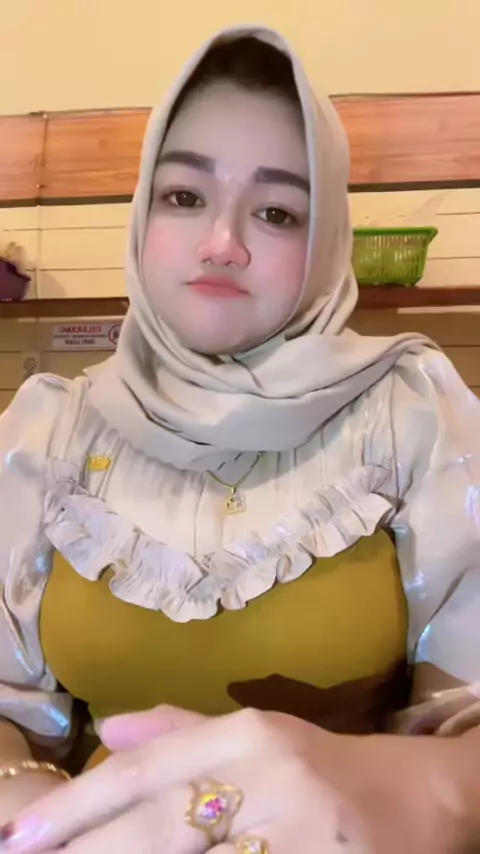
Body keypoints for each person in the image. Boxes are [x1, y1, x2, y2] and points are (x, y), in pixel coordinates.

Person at [0, 23, 479, 854]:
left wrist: (414, 791)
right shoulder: (48, 430)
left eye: (277, 211)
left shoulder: (413, 414)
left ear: (326, 239)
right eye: (184, 197)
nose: (222, 243)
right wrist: (30, 804)